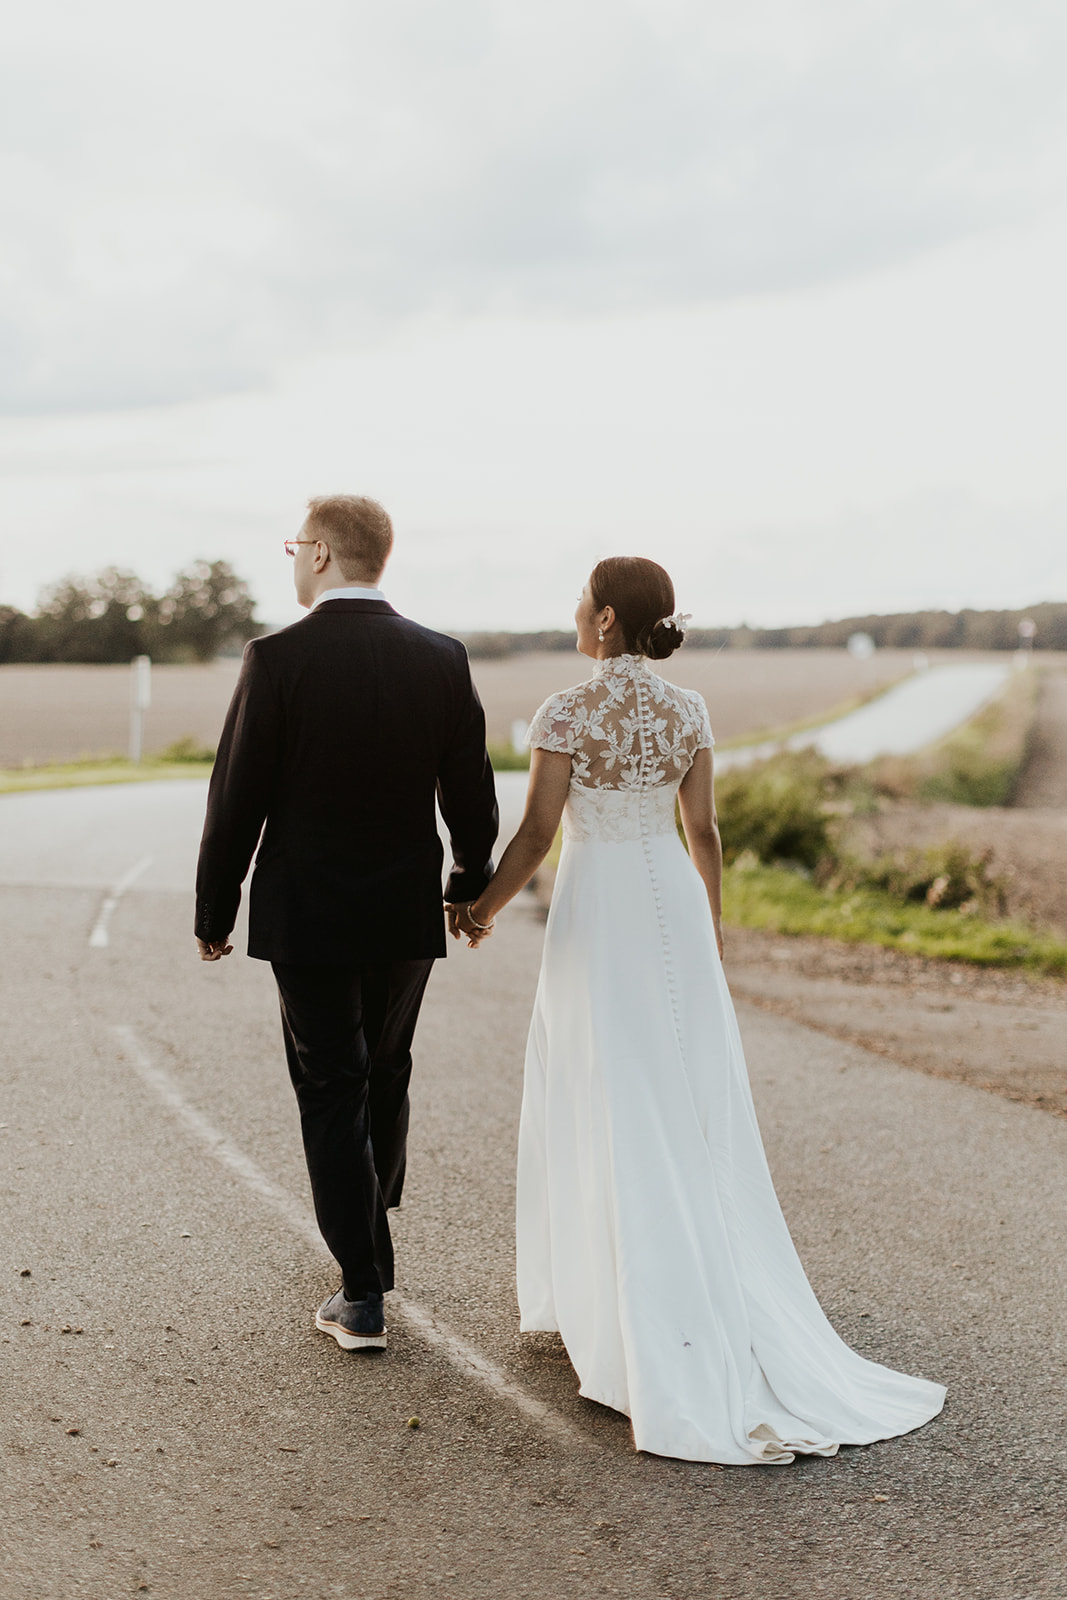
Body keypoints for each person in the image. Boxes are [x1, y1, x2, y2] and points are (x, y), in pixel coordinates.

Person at [450, 556, 945, 1465]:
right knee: (682, 1100)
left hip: (599, 915)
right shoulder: (690, 711)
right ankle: (672, 1289)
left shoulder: (566, 710)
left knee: (607, 1093)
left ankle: (621, 1307)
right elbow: (703, 833)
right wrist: (709, 932)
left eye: (579, 602)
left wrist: (476, 910)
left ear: (603, 620)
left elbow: (535, 834)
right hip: (672, 909)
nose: (572, 613)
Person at [195, 495, 498, 1351]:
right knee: (386, 1068)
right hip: (404, 908)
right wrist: (466, 882)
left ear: (322, 554)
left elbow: (236, 798)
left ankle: (361, 1291)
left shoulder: (276, 658)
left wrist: (214, 909)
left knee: (332, 1088)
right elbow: (470, 790)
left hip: (309, 913)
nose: (292, 560)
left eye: (295, 547)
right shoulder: (441, 656)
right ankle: (369, 1216)